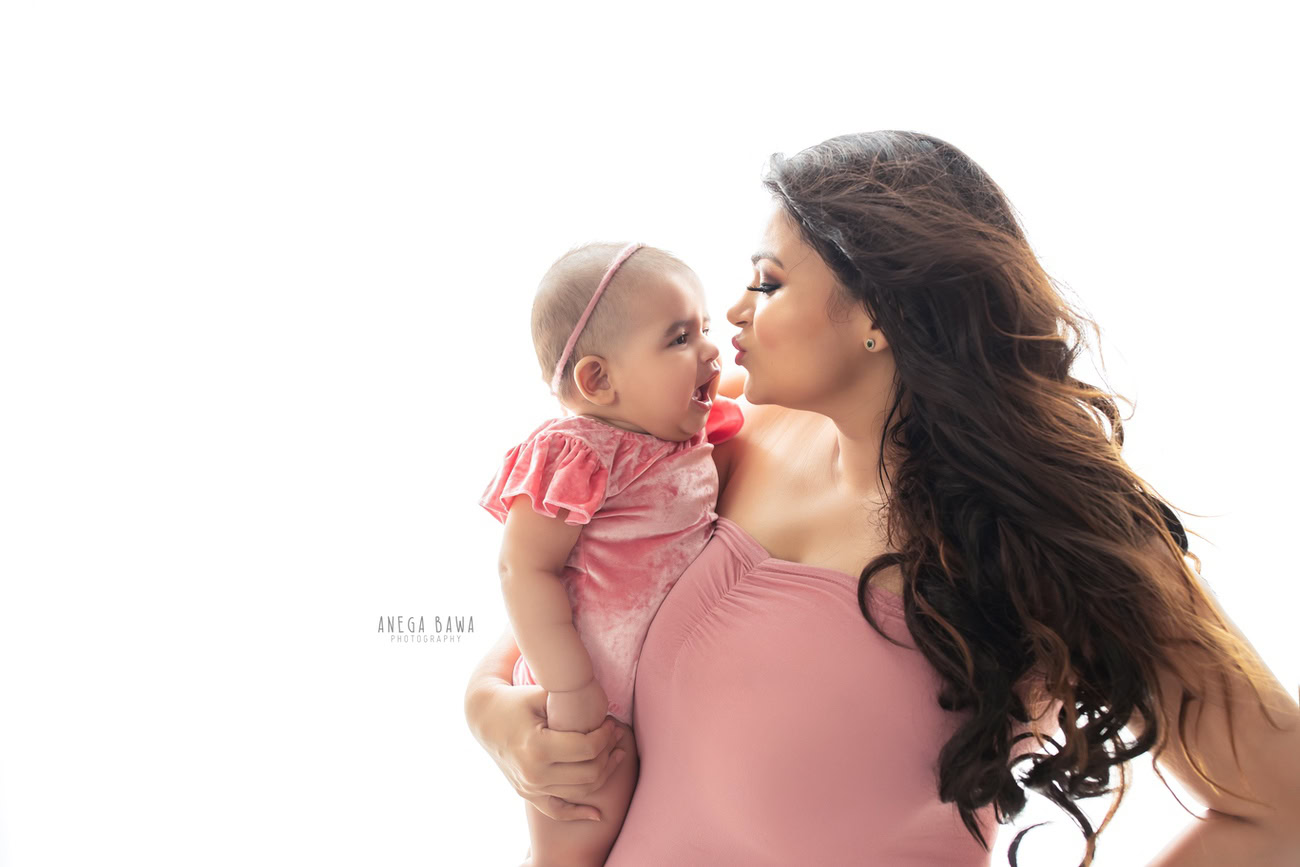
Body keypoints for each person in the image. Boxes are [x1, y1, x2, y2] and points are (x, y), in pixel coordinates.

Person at [465, 131, 1300, 866]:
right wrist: (492, 714)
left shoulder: (1049, 535)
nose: (732, 311)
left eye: (768, 281)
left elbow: (1281, 807)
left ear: (877, 312)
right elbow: (570, 605)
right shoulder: (722, 445)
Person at [476, 240, 745, 866]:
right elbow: (525, 568)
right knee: (573, 847)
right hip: (583, 697)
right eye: (679, 338)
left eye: (704, 328)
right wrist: (569, 688)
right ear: (597, 380)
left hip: (644, 695)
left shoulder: (682, 432)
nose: (710, 349)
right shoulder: (580, 451)